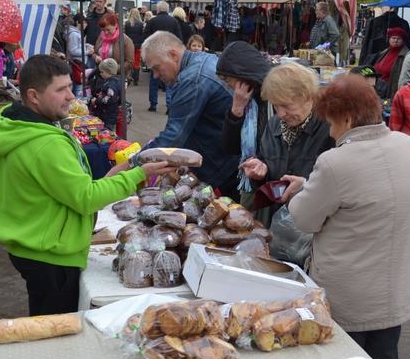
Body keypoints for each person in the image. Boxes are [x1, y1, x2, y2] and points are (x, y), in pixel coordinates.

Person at [282, 74, 410, 359]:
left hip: (347, 295)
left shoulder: (334, 161)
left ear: (348, 118)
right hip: (394, 288)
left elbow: (303, 219)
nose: (330, 130)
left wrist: (304, 192)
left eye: (331, 122)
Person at [0, 55, 173, 315]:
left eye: (69, 87)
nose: (71, 97)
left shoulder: (14, 125)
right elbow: (85, 198)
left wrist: (116, 174)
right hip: (49, 256)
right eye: (60, 90)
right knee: (55, 335)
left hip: (30, 245)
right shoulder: (46, 143)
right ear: (33, 96)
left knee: (44, 323)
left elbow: (62, 188)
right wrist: (138, 175)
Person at [140, 31, 238, 193]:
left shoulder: (192, 79)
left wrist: (134, 162)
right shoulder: (201, 61)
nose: (155, 76)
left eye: (156, 68)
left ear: (173, 55)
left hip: (225, 167)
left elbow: (173, 136)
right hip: (225, 160)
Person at [240, 61, 335, 220]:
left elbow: (341, 185)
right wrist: (260, 170)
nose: (281, 114)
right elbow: (268, 169)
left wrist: (306, 185)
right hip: (279, 220)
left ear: (307, 97)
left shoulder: (331, 128)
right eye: (276, 106)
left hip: (315, 223)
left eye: (286, 106)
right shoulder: (274, 125)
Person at [216, 41, 274, 201]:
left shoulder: (273, 99)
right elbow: (230, 147)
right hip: (253, 181)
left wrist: (262, 164)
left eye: (228, 79)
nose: (228, 85)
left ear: (242, 76)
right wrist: (236, 111)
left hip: (271, 187)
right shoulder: (248, 102)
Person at [143, 1, 182, 112]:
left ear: (158, 10)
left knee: (154, 79)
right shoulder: (174, 21)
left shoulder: (152, 21)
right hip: (169, 55)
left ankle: (153, 104)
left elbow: (145, 38)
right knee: (169, 80)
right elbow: (179, 39)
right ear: (167, 9)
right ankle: (169, 105)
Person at [369, 26, 408, 98]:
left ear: (403, 41)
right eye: (393, 38)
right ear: (389, 39)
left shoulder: (404, 55)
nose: (395, 40)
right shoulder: (384, 52)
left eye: (399, 39)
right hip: (378, 88)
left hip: (389, 91)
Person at [88, 58, 123, 131]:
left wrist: (97, 101)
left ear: (108, 72)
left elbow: (107, 100)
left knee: (107, 134)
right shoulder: (114, 82)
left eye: (102, 72)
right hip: (108, 114)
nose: (100, 73)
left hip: (108, 116)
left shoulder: (111, 85)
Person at [125, 8, 146, 85]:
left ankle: (128, 77)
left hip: (128, 46)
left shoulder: (127, 23)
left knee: (128, 61)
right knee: (137, 62)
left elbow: (125, 35)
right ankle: (136, 79)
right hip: (138, 45)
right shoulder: (141, 24)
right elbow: (142, 35)